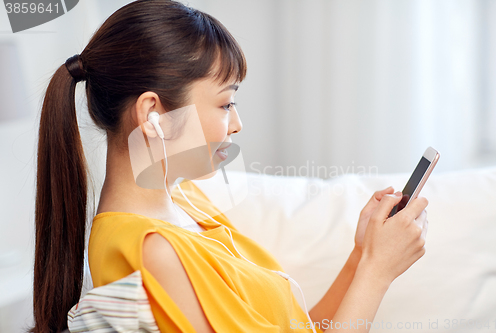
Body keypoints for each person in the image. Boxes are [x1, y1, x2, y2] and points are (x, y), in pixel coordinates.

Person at [31, 1, 429, 332]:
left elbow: (301, 326)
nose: (237, 123)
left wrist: (362, 255)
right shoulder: (153, 251)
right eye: (225, 103)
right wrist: (378, 273)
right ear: (152, 114)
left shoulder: (185, 203)